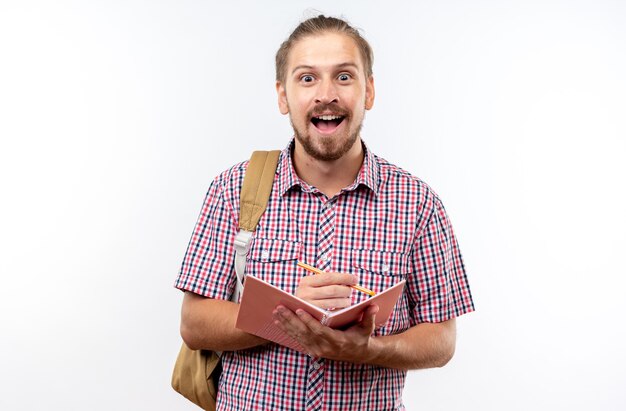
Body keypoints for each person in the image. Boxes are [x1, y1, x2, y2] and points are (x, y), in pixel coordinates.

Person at [175, 14, 474, 411]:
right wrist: (286, 316)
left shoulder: (418, 203)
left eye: (344, 77)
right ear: (283, 96)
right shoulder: (232, 190)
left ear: (369, 91)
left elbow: (442, 339)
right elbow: (194, 324)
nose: (326, 94)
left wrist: (369, 350)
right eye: (307, 78)